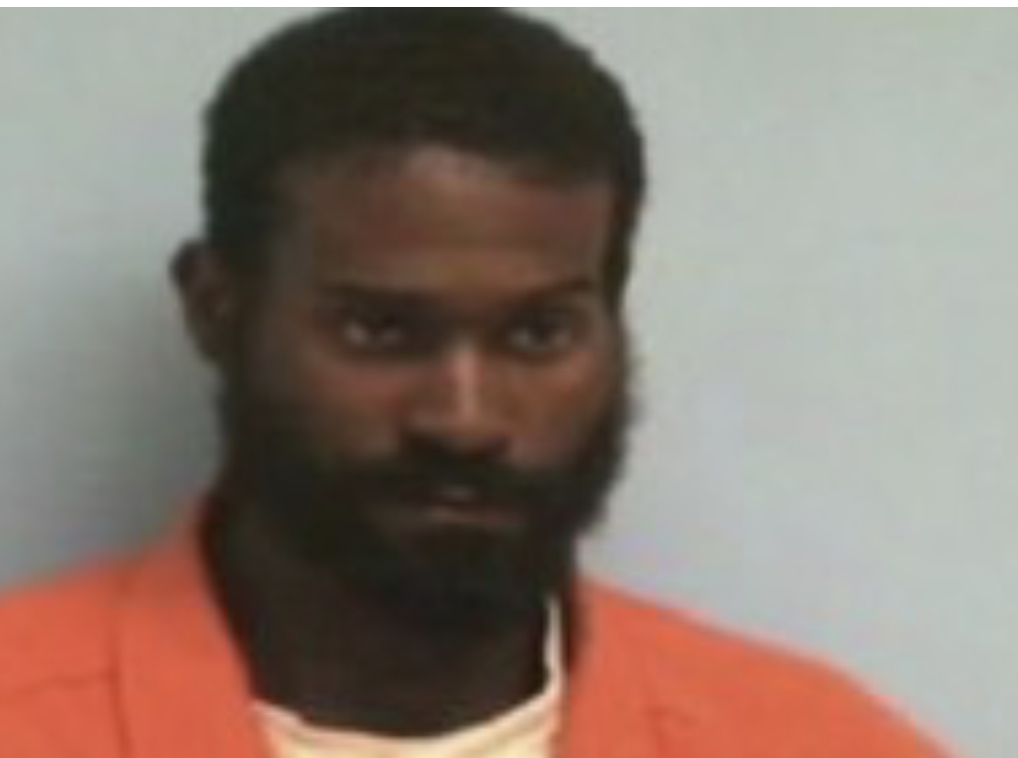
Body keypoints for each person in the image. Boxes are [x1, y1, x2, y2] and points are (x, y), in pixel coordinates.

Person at [0, 9, 950, 757]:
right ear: (216, 309)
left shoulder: (816, 741)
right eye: (380, 331)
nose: (463, 419)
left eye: (538, 333)